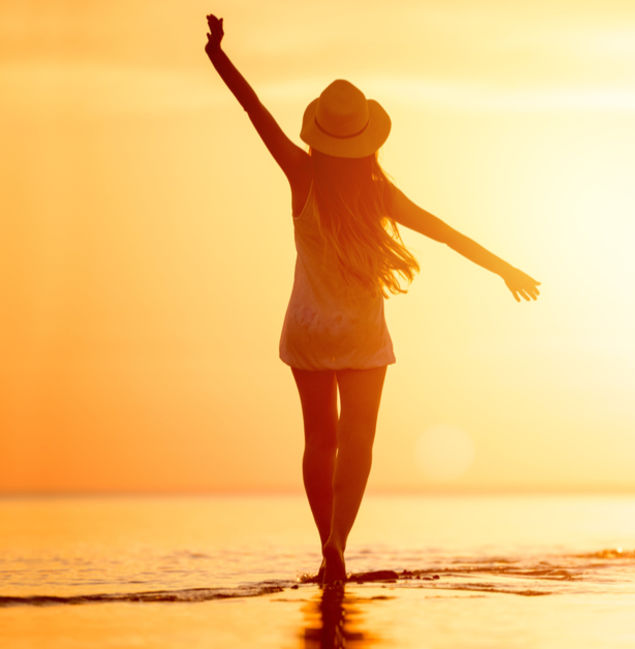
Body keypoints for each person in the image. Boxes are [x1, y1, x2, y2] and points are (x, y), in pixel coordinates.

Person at [204, 14, 541, 585]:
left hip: (309, 328)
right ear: (365, 138)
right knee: (357, 442)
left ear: (320, 132)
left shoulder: (302, 174)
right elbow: (444, 232)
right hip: (361, 333)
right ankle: (339, 541)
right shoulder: (378, 192)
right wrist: (504, 269)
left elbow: (254, 110)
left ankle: (325, 546)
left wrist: (218, 54)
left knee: (320, 441)